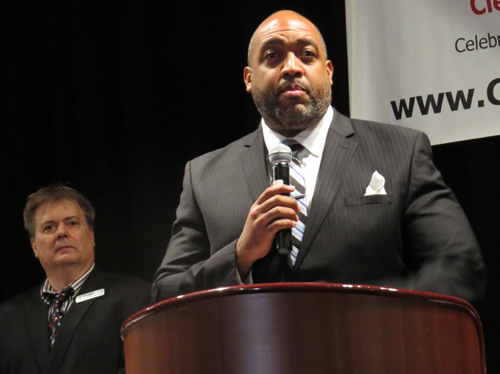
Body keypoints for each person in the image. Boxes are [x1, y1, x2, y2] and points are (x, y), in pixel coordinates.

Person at [152, 10, 484, 304]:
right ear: (249, 79)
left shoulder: (400, 150)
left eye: (306, 55)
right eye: (273, 56)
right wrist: (240, 254)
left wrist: (373, 323)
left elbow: (457, 264)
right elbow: (166, 291)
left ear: (328, 71)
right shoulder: (205, 175)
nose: (291, 68)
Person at [0, 185, 151, 374]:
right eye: (49, 227)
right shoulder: (7, 317)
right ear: (34, 247)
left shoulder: (135, 297)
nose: (61, 232)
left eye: (72, 223)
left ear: (92, 235)